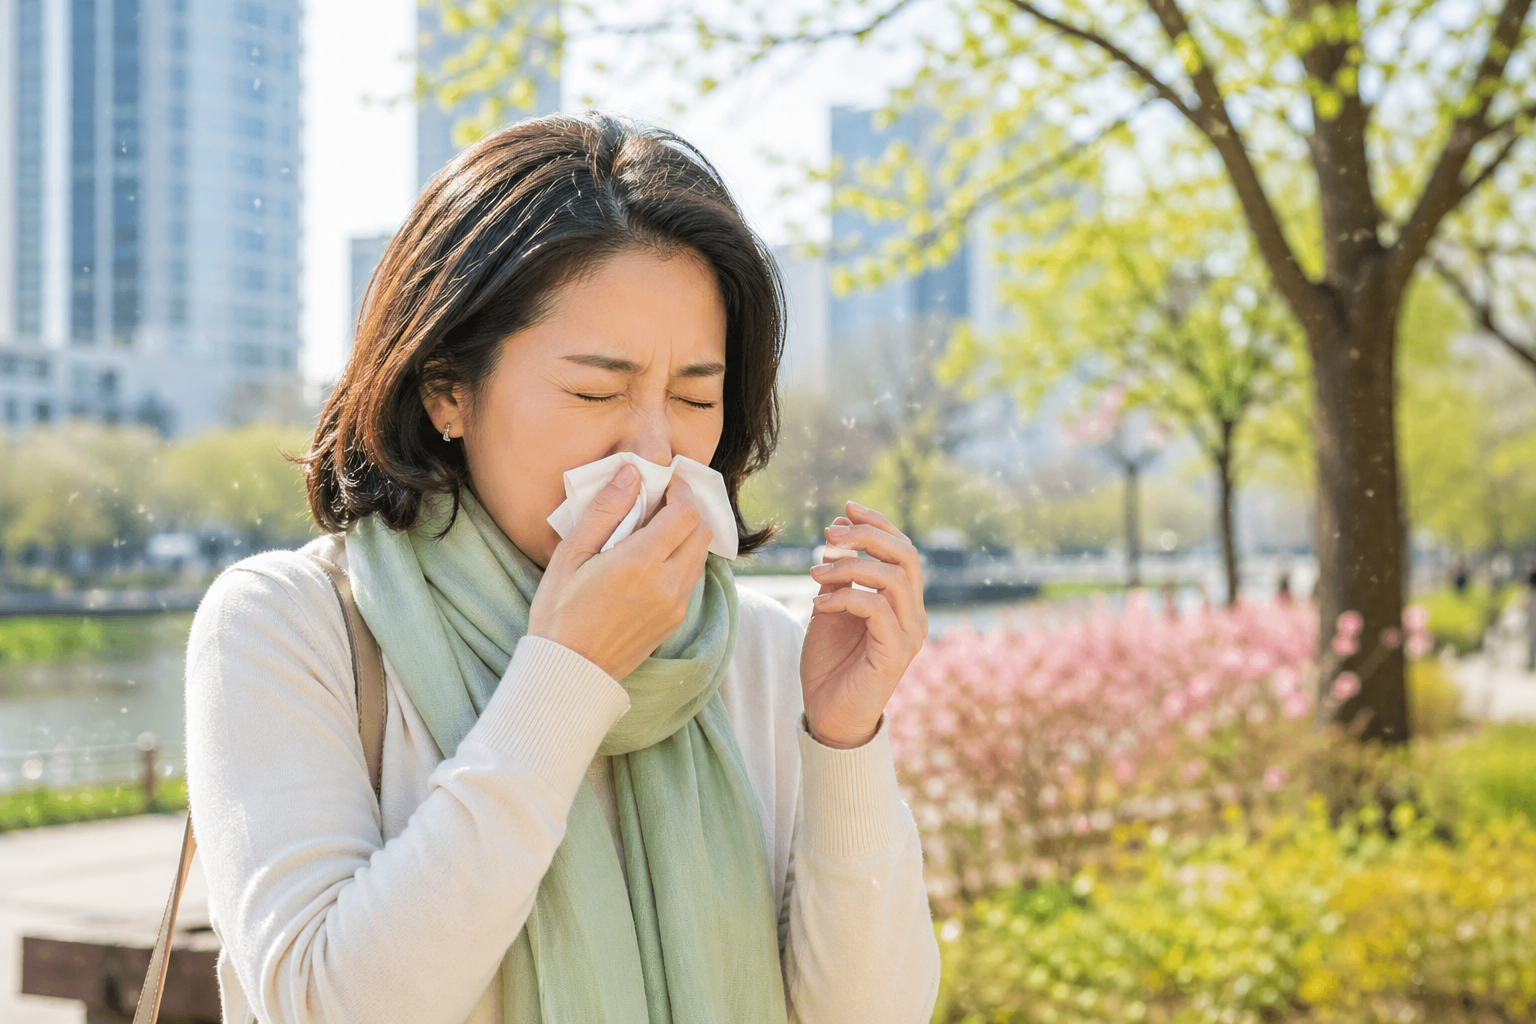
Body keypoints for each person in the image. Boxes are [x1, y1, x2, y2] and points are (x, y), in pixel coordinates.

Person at [185, 113, 939, 1023]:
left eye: (695, 396)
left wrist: (845, 742)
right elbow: (328, 1004)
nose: (654, 448)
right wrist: (566, 678)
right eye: (596, 392)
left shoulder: (756, 652)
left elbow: (872, 1014)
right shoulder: (292, 626)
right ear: (446, 390)